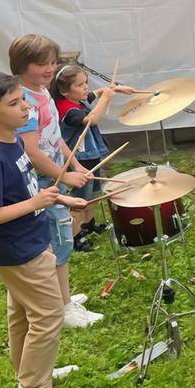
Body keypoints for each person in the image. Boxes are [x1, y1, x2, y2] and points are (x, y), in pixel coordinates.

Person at [0, 72, 82, 388]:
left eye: (23, 99)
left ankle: (32, 372)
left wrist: (60, 200)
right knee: (47, 315)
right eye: (14, 103)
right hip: (16, 249)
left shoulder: (13, 140)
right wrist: (35, 205)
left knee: (22, 316)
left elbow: (28, 191)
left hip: (28, 239)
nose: (26, 107)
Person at [9, 34, 99, 329]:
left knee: (60, 238)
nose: (49, 69)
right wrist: (63, 175)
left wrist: (73, 163)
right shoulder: (22, 101)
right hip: (41, 182)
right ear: (20, 65)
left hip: (54, 175)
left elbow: (55, 136)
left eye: (52, 62)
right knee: (59, 240)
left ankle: (64, 296)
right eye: (40, 64)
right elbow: (32, 152)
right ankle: (63, 308)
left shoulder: (42, 91)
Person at [51, 66, 135, 250]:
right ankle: (75, 237)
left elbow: (93, 95)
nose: (86, 88)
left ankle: (89, 225)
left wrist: (113, 90)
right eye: (80, 84)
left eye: (86, 82)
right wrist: (106, 98)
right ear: (64, 91)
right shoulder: (67, 109)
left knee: (91, 195)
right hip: (79, 159)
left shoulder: (76, 99)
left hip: (90, 155)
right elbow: (91, 119)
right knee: (79, 200)